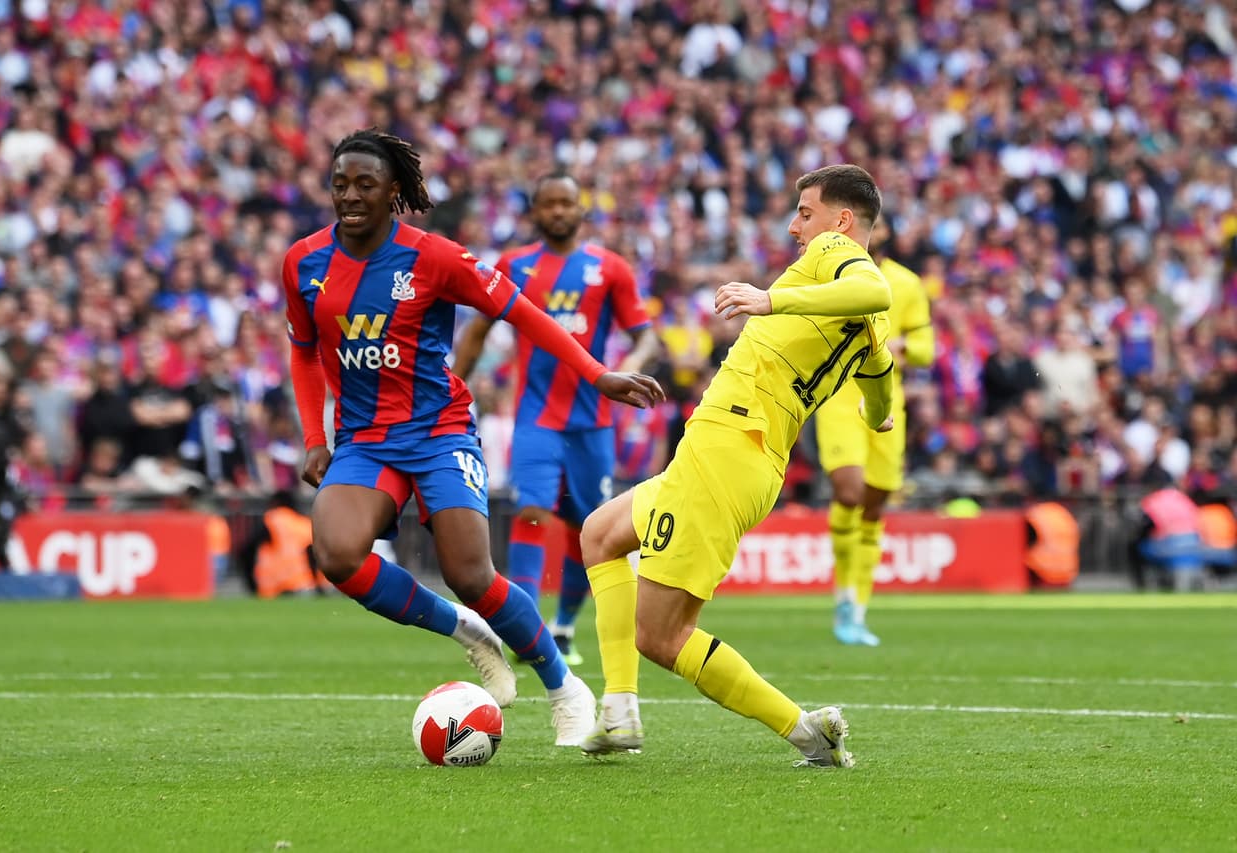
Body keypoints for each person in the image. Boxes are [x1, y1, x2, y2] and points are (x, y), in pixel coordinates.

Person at [282, 129, 664, 746]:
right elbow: (303, 351)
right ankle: (466, 630)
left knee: (472, 573)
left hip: (438, 432)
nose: (349, 196)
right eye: (340, 183)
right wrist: (312, 435)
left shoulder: (434, 257)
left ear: (394, 193)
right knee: (337, 554)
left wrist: (597, 373)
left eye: (365, 185)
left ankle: (562, 683)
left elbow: (524, 313)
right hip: (364, 441)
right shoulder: (303, 261)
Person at [579, 165, 895, 766]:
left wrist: (769, 299)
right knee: (601, 533)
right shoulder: (872, 332)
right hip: (743, 456)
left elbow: (873, 288)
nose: (795, 225)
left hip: (728, 448)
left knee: (661, 637)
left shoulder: (835, 253)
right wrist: (876, 414)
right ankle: (618, 711)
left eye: (805, 212)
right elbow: (882, 388)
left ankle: (807, 732)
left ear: (841, 220)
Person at [452, 173, 659, 666]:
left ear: (581, 209)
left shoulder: (609, 268)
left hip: (593, 421)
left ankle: (563, 625)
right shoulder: (515, 265)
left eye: (567, 203)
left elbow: (646, 334)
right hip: (535, 417)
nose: (559, 211)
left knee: (590, 528)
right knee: (531, 510)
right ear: (536, 212)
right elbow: (478, 329)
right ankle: (526, 628)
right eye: (550, 204)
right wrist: (454, 389)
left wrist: (633, 363)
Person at [812, 215, 935, 646]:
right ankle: (844, 597)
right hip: (839, 397)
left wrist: (901, 346)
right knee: (849, 492)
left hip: (885, 398)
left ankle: (856, 607)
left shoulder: (906, 284)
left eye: (880, 227)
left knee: (874, 507)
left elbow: (926, 349)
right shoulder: (832, 274)